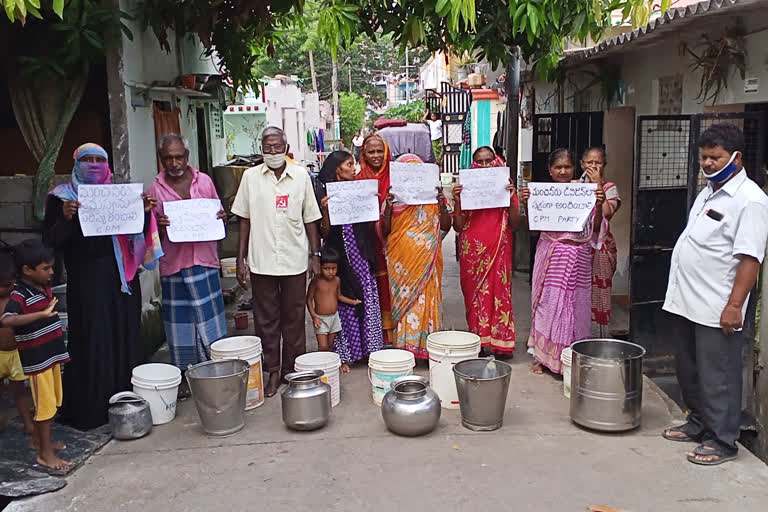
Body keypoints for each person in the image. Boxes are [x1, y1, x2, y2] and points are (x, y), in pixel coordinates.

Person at [662, 124, 768, 466]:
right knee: (689, 370)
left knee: (719, 375)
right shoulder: (708, 192)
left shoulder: (750, 200)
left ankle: (723, 439)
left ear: (736, 157)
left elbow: (750, 257)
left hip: (716, 305)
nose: (707, 163)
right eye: (704, 157)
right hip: (686, 301)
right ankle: (698, 423)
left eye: (715, 157)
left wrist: (735, 305)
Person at [44, 143, 163, 430]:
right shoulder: (60, 198)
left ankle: (128, 403)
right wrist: (67, 218)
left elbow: (137, 231)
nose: (94, 164)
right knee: (94, 340)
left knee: (125, 336)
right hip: (87, 283)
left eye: (100, 159)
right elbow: (52, 241)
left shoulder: (120, 195)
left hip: (122, 281)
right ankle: (94, 408)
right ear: (75, 163)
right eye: (88, 160)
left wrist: (144, 211)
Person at [232, 126, 322, 397]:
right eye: (267, 147)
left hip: (295, 260)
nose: (272, 152)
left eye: (277, 147)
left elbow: (311, 219)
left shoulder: (301, 176)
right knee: (266, 319)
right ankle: (271, 370)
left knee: (294, 318)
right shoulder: (250, 178)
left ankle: (292, 370)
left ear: (286, 148)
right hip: (261, 261)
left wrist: (314, 256)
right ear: (262, 148)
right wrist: (240, 259)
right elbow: (244, 220)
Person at [148, 134, 228, 399]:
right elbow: (147, 230)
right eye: (168, 157)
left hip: (204, 260)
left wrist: (220, 216)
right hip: (174, 264)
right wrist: (155, 225)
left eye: (179, 156)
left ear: (187, 156)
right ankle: (183, 376)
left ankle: (216, 371)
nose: (174, 162)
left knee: (211, 321)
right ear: (161, 159)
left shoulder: (203, 181)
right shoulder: (155, 189)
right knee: (179, 324)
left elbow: (218, 217)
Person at [521, 148, 606, 375]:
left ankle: (572, 356)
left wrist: (598, 202)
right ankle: (542, 356)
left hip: (578, 257)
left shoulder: (583, 192)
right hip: (551, 256)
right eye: (558, 167)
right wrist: (528, 205)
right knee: (547, 305)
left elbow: (596, 227)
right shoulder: (542, 193)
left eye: (567, 167)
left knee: (576, 306)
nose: (562, 171)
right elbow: (533, 229)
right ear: (550, 170)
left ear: (574, 168)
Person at [1, 239, 70, 470]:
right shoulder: (20, 294)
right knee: (45, 407)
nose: (52, 272)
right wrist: (40, 316)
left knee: (53, 402)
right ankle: (45, 454)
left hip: (50, 355)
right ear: (27, 270)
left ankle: (39, 441)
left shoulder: (42, 286)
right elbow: (7, 319)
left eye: (52, 267)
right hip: (38, 361)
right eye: (46, 268)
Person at [317, 150, 383, 372]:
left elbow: (372, 223)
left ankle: (369, 350)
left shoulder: (360, 189)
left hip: (361, 254)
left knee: (365, 296)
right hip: (339, 258)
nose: (353, 169)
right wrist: (326, 211)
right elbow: (324, 233)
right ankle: (345, 353)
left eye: (353, 164)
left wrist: (372, 204)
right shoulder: (325, 194)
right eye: (348, 165)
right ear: (337, 169)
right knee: (342, 299)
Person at [382, 155, 452, 359]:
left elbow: (446, 225)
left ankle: (428, 348)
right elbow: (385, 230)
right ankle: (405, 349)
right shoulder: (394, 197)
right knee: (405, 303)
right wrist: (387, 206)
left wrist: (440, 204)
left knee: (428, 299)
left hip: (428, 258)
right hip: (401, 260)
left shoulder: (432, 197)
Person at [452, 147, 521, 356]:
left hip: (499, 247)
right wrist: (457, 201)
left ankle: (501, 343)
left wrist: (511, 197)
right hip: (472, 251)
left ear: (496, 161)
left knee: (500, 292)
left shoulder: (505, 188)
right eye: (479, 162)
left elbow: (516, 224)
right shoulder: (466, 189)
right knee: (474, 296)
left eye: (488, 161)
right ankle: (479, 341)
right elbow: (457, 226)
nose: (484, 166)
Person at [357, 134, 395, 342]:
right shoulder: (358, 180)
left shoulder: (396, 178)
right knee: (374, 286)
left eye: (380, 151)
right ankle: (377, 335)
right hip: (368, 241)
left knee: (392, 286)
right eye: (371, 151)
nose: (376, 155)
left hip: (394, 240)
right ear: (363, 154)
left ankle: (394, 334)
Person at [583, 147, 621, 334]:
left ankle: (599, 336)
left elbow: (607, 212)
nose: (593, 166)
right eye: (589, 162)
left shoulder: (609, 187)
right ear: (582, 165)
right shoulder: (575, 187)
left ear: (603, 165)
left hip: (600, 247)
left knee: (600, 293)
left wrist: (597, 184)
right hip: (580, 246)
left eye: (597, 162)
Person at [306, 248, 362, 365]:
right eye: (326, 269)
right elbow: (309, 300)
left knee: (330, 345)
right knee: (323, 346)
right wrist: (314, 316)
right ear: (320, 267)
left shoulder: (337, 280)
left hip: (334, 317)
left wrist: (352, 302)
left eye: (333, 268)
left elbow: (339, 296)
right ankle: (321, 367)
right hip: (321, 319)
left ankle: (329, 366)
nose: (330, 272)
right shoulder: (316, 281)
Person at [0, 248, 35, 436]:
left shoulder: (16, 300)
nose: (2, 290)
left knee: (19, 392)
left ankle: (27, 423)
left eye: (6, 285)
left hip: (15, 353)